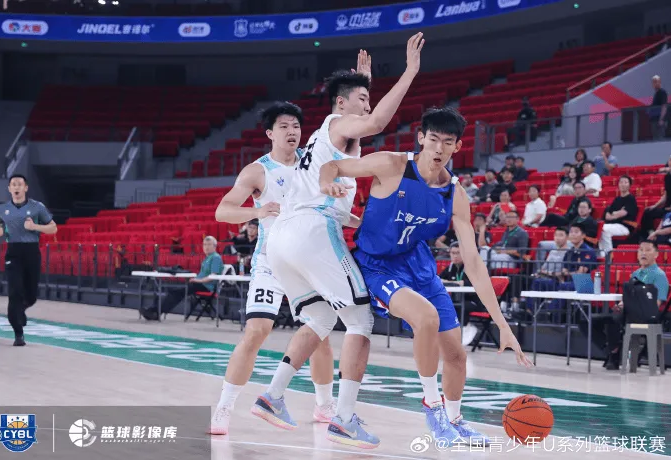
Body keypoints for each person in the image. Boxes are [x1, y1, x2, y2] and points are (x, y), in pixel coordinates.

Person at [319, 106, 531, 447]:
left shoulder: (455, 194)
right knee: (426, 318)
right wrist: (326, 183)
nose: (438, 148)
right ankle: (433, 408)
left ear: (457, 147)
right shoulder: (391, 165)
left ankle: (456, 421)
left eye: (447, 142)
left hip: (419, 266)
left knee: (457, 355)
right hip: (377, 265)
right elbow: (332, 166)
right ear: (421, 138)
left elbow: (473, 262)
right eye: (433, 139)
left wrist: (502, 324)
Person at [252, 35, 424, 449]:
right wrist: (410, 73)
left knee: (320, 319)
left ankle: (272, 395)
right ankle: (344, 418)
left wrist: (363, 84)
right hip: (313, 230)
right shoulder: (339, 123)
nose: (368, 104)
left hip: (284, 237)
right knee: (361, 321)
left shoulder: (324, 138)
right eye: (363, 98)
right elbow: (375, 123)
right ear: (342, 104)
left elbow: (351, 140)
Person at [208, 102, 337, 435]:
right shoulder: (257, 171)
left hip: (307, 262)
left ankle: (324, 405)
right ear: (270, 133)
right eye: (284, 126)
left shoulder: (313, 163)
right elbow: (223, 211)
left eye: (296, 126)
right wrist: (258, 211)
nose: (292, 131)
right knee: (257, 331)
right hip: (271, 260)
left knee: (320, 335)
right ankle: (224, 407)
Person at [579, 240, 668, 370]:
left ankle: (614, 355)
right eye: (641, 250)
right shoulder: (636, 273)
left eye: (648, 250)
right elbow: (627, 296)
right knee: (586, 321)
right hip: (628, 312)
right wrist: (621, 305)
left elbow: (656, 304)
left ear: (656, 254)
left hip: (645, 315)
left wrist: (632, 308)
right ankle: (611, 349)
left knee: (614, 319)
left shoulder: (659, 276)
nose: (643, 253)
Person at [0, 174, 57, 346]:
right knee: (15, 292)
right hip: (13, 252)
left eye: (20, 184)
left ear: (26, 188)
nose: (16, 187)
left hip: (31, 252)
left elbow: (53, 228)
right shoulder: (2, 209)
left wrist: (35, 227)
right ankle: (18, 333)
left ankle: (21, 310)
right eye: (13, 184)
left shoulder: (37, 207)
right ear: (9, 188)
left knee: (31, 296)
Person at [140, 236, 224, 321]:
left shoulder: (215, 258)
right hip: (198, 283)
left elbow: (213, 276)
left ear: (214, 246)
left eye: (209, 245)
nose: (206, 247)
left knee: (176, 292)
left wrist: (198, 280)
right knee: (173, 290)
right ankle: (154, 311)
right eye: (204, 244)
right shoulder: (207, 258)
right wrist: (194, 278)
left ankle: (156, 313)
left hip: (206, 286)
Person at [599, 175, 638, 254]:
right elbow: (607, 216)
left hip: (624, 227)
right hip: (613, 225)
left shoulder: (631, 199)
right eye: (621, 182)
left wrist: (614, 214)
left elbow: (623, 213)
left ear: (630, 185)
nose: (623, 184)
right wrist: (615, 213)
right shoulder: (617, 199)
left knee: (603, 229)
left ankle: (608, 255)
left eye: (625, 182)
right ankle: (604, 254)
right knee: (600, 228)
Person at [649, 76, 668, 140]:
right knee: (655, 139)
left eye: (656, 82)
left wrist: (661, 119)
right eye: (653, 82)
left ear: (660, 82)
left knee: (660, 139)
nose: (655, 84)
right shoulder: (656, 93)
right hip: (654, 120)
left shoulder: (662, 92)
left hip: (659, 121)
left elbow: (664, 106)